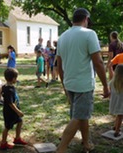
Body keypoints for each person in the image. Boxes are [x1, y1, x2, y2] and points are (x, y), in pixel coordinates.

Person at [56, 8, 109, 153]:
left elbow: (58, 66)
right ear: (86, 19)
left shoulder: (62, 37)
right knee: (79, 116)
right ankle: (61, 148)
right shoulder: (89, 34)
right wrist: (105, 86)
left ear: (73, 19)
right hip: (83, 85)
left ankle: (86, 143)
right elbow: (98, 62)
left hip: (69, 83)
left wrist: (64, 85)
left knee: (81, 115)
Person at [0, 68, 27, 150]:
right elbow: (10, 103)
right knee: (7, 127)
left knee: (20, 122)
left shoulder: (6, 86)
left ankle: (17, 138)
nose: (17, 79)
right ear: (13, 79)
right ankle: (3, 144)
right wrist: (18, 112)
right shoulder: (9, 90)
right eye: (16, 78)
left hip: (14, 112)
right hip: (10, 112)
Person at [109, 64, 123, 137]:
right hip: (121, 103)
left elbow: (110, 90)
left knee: (118, 115)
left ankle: (115, 126)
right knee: (120, 116)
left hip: (114, 102)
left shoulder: (113, 82)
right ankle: (117, 131)